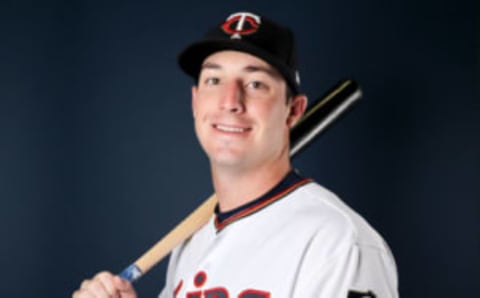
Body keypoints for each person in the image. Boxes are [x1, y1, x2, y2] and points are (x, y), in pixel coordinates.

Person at [72, 11, 398, 298]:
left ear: (293, 111)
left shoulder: (337, 242)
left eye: (255, 84)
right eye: (214, 80)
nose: (230, 101)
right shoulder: (191, 242)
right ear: (196, 101)